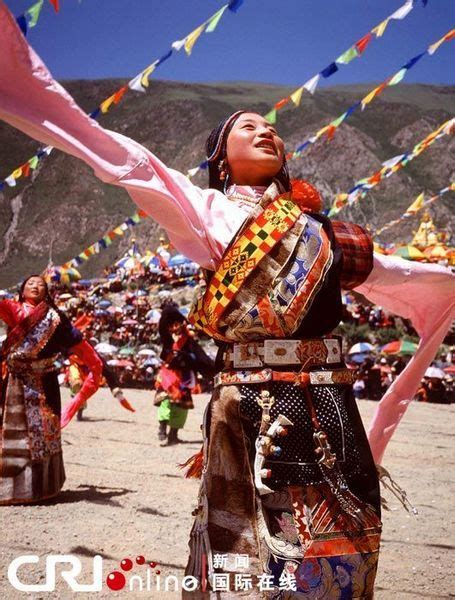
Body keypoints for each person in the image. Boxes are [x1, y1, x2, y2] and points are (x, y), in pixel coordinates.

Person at [0, 8, 454, 594]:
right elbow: (126, 161)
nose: (266, 131)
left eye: (270, 128)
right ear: (220, 158)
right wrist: (24, 87)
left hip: (329, 399)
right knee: (243, 543)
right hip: (250, 403)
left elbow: (397, 273)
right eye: (247, 128)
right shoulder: (207, 212)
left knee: (339, 537)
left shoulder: (322, 231)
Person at [0, 275, 103, 504]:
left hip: (43, 383)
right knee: (12, 433)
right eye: (30, 283)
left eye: (40, 284)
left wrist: (94, 367)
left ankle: (41, 489)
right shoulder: (12, 309)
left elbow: (82, 347)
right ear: (22, 290)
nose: (35, 286)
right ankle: (9, 490)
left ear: (47, 292)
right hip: (15, 383)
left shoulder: (56, 320)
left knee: (43, 433)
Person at [155, 302, 215, 446]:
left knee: (181, 407)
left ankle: (173, 435)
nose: (175, 327)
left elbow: (201, 358)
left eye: (177, 323)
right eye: (172, 324)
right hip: (168, 374)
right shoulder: (167, 339)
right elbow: (165, 320)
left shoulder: (189, 340)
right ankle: (162, 428)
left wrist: (211, 371)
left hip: (184, 376)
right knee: (166, 401)